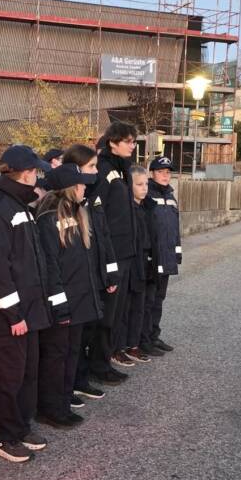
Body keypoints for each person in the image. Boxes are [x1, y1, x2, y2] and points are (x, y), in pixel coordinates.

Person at [0, 145, 52, 462]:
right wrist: (13, 313)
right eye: (35, 171)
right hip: (9, 317)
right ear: (25, 173)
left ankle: (21, 427)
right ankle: (5, 436)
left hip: (28, 312)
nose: (37, 177)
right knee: (8, 376)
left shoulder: (20, 205)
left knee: (27, 374)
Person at [35, 162, 103, 428]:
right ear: (69, 187)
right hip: (63, 303)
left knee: (71, 353)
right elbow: (51, 266)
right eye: (81, 183)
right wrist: (59, 304)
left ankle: (63, 403)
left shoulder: (78, 212)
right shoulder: (49, 218)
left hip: (79, 301)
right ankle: (51, 408)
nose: (85, 187)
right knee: (56, 356)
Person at [61, 143, 123, 399]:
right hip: (80, 280)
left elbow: (104, 237)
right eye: (91, 167)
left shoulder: (92, 197)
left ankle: (83, 377)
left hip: (97, 275)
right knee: (78, 337)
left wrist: (110, 273)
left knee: (94, 329)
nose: (96, 172)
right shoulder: (66, 203)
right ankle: (74, 381)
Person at [89, 121, 138, 379]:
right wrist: (106, 255)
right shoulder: (104, 169)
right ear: (113, 143)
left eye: (134, 141)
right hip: (112, 253)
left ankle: (107, 358)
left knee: (118, 311)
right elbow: (98, 215)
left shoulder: (123, 169)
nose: (133, 146)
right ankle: (98, 366)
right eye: (128, 141)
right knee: (107, 313)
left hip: (126, 251)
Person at [144, 155, 180, 353]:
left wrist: (177, 253)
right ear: (152, 173)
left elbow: (175, 229)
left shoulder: (171, 197)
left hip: (166, 257)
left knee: (159, 299)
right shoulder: (147, 195)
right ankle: (144, 340)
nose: (165, 176)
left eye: (167, 172)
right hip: (152, 258)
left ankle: (154, 335)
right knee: (148, 301)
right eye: (160, 172)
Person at [124, 166, 156, 362]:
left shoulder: (147, 207)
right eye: (139, 184)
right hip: (133, 262)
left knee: (142, 305)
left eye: (146, 184)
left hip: (146, 262)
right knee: (130, 306)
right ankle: (125, 345)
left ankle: (135, 343)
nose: (144, 188)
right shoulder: (128, 210)